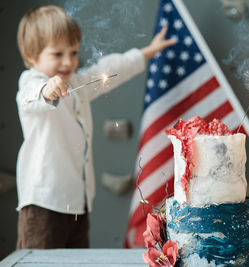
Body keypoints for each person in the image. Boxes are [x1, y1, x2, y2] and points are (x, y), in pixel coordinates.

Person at [15, 5, 174, 249]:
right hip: (43, 205)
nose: (68, 61)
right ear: (31, 57)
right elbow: (30, 96)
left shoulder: (77, 83)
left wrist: (145, 53)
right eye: (57, 54)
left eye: (74, 52)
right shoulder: (32, 81)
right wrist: (46, 90)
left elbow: (108, 70)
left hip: (78, 205)